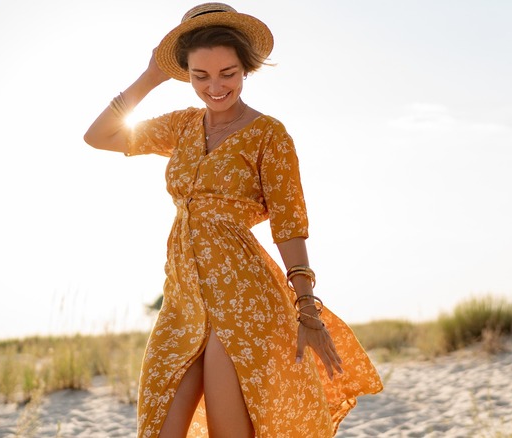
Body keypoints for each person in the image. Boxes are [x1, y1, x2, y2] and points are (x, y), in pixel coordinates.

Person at [83, 3, 382, 437]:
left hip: (244, 299)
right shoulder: (181, 128)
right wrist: (151, 75)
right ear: (186, 74)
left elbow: (290, 225)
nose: (215, 86)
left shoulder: (269, 135)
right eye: (200, 75)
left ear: (247, 69)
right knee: (157, 427)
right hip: (183, 300)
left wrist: (307, 308)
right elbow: (99, 136)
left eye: (228, 72)